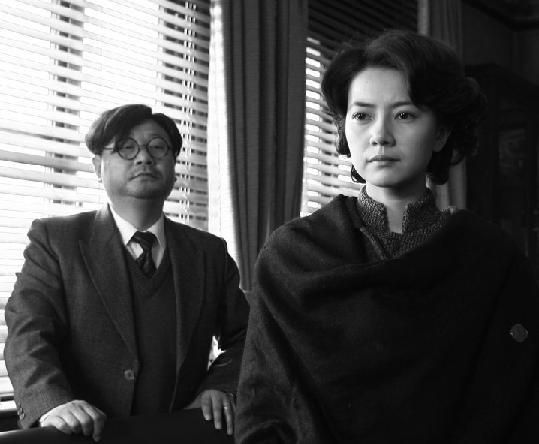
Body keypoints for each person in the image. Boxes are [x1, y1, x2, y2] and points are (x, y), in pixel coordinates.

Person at [235, 30, 539, 443]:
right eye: (362, 116)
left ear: (441, 132)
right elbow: (263, 408)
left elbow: (516, 403)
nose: (380, 134)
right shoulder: (292, 255)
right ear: (344, 129)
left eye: (405, 115)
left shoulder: (492, 259)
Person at [5, 104, 249, 441]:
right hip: (84, 437)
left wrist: (220, 385)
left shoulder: (209, 253)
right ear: (98, 167)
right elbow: (28, 333)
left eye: (158, 147)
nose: (144, 157)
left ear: (174, 166)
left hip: (181, 435)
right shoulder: (56, 241)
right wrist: (53, 402)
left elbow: (248, 334)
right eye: (126, 147)